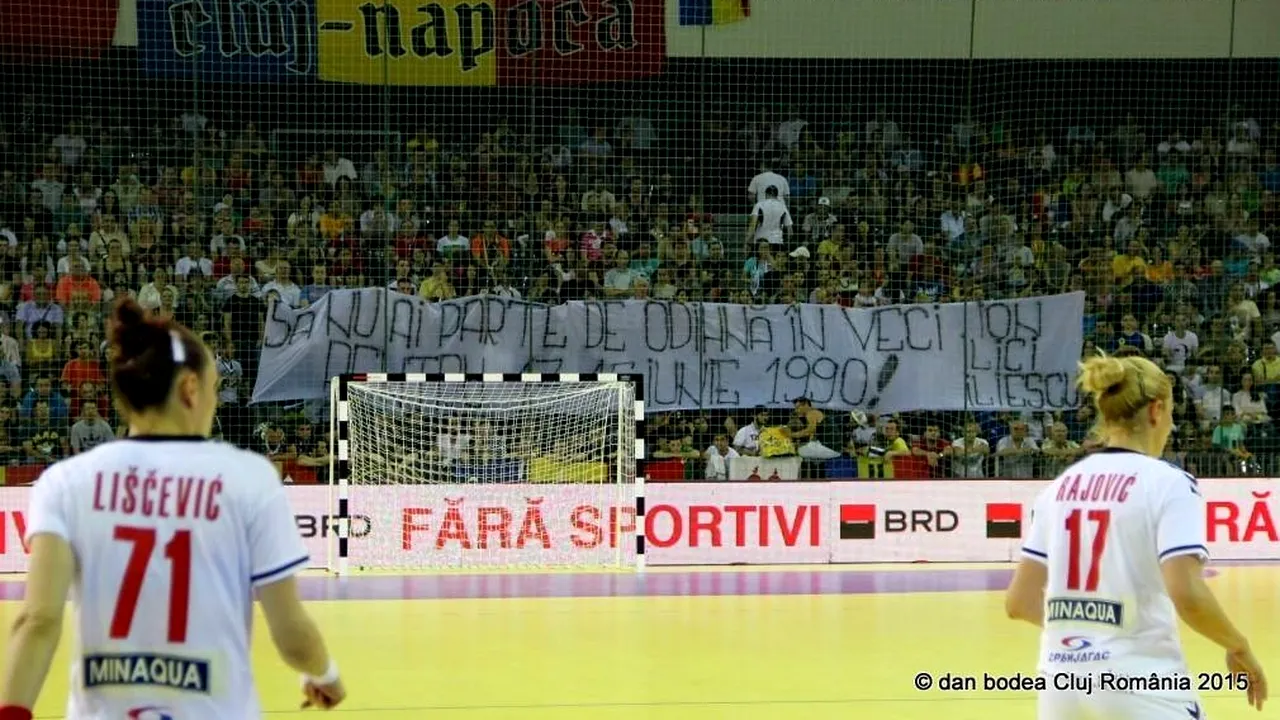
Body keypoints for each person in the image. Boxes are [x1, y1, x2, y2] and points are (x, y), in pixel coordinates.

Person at [0, 299, 346, 719]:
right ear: (190, 389)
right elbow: (290, 632)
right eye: (214, 389)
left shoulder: (65, 482)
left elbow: (36, 621)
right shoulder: (249, 479)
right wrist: (324, 674)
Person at [1005, 353, 1267, 719]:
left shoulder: (1057, 489)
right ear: (1156, 411)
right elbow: (1187, 593)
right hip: (1141, 682)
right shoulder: (1168, 482)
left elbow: (1019, 602)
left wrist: (1089, 633)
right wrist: (1239, 646)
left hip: (1061, 682)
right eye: (1172, 415)